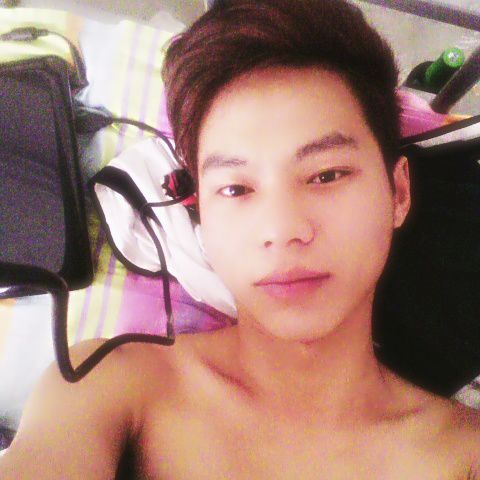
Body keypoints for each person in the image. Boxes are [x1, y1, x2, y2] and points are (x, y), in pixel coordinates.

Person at [1, 0, 480, 478]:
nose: (282, 230)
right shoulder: (111, 385)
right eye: (235, 189)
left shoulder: (462, 452)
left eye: (326, 175)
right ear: (202, 217)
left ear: (398, 193)